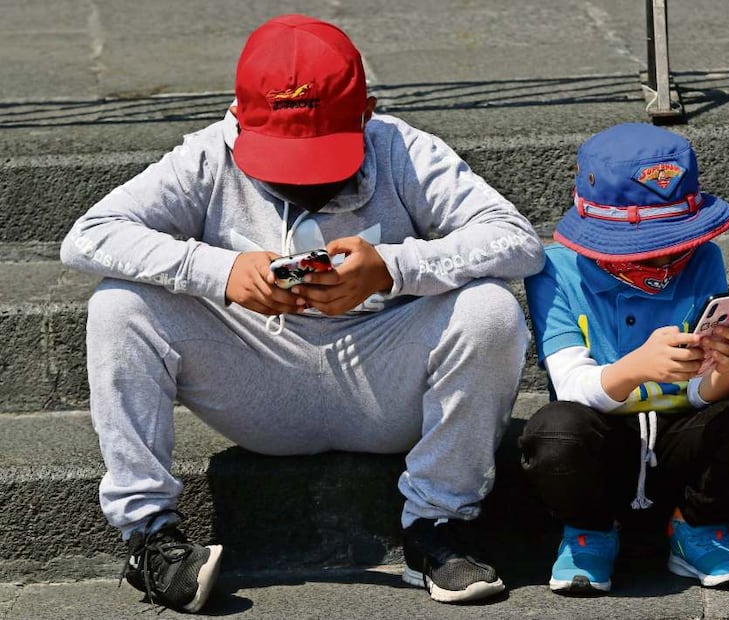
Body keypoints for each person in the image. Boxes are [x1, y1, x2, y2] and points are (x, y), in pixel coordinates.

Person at [60, 14, 544, 612]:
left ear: (366, 111)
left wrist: (393, 267)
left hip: (385, 381)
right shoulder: (209, 154)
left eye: (321, 156)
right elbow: (88, 236)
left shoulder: (403, 149)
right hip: (258, 379)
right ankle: (149, 538)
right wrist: (223, 273)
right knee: (118, 304)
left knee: (491, 309)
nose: (301, 179)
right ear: (239, 118)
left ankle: (439, 527)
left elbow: (517, 240)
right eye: (281, 158)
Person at [519, 123, 729, 595]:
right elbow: (571, 385)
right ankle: (589, 533)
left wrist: (727, 369)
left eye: (677, 248)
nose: (667, 264)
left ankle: (696, 528)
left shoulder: (703, 259)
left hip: (678, 447)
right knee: (553, 430)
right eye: (648, 254)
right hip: (602, 453)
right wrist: (637, 368)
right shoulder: (555, 271)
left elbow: (703, 394)